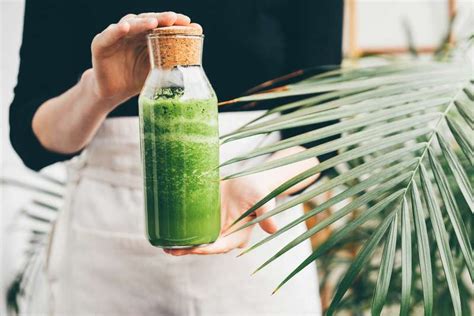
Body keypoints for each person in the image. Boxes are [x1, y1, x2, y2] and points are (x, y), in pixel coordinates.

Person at [9, 1, 343, 315]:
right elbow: (32, 139)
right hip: (107, 239)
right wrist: (100, 91)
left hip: (255, 225)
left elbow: (321, 134)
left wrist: (261, 184)